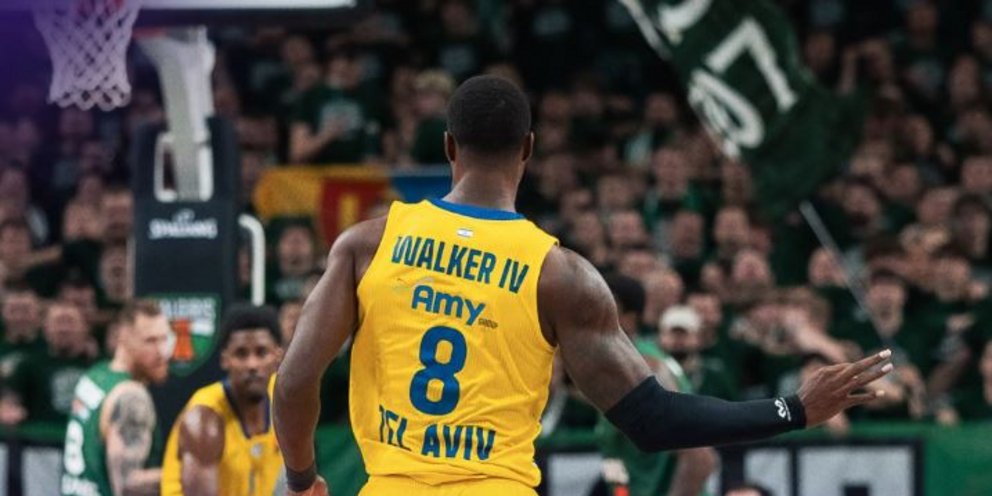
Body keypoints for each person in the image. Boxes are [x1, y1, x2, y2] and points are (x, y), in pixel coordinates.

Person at [274, 75, 893, 496]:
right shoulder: (559, 274)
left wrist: (303, 480)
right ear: (529, 149)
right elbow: (653, 420)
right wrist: (792, 409)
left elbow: (295, 381)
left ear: (448, 147)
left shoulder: (368, 244)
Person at [161, 305, 284, 495]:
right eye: (241, 354)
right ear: (225, 359)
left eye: (261, 352)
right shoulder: (203, 418)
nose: (252, 365)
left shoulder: (284, 398)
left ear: (277, 356)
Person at [60, 300, 172, 496]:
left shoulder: (95, 375)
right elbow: (127, 485)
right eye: (150, 341)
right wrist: (187, 473)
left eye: (165, 339)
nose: (162, 352)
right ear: (124, 338)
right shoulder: (131, 396)